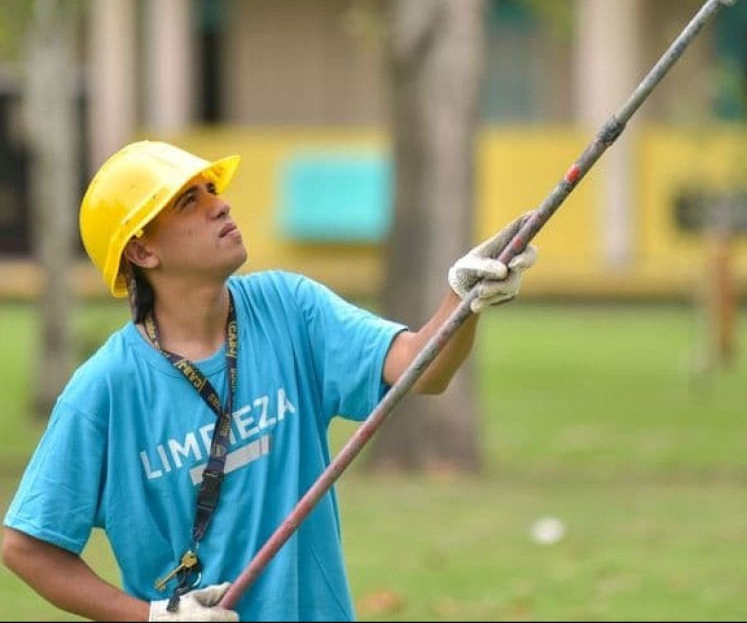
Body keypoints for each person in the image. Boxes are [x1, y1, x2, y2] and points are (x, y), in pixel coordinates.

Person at [2, 139, 538, 622]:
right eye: (190, 201)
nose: (222, 204)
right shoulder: (105, 389)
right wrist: (151, 619)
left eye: (212, 189)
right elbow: (26, 547)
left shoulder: (289, 308)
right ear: (142, 251)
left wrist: (465, 298)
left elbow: (421, 369)